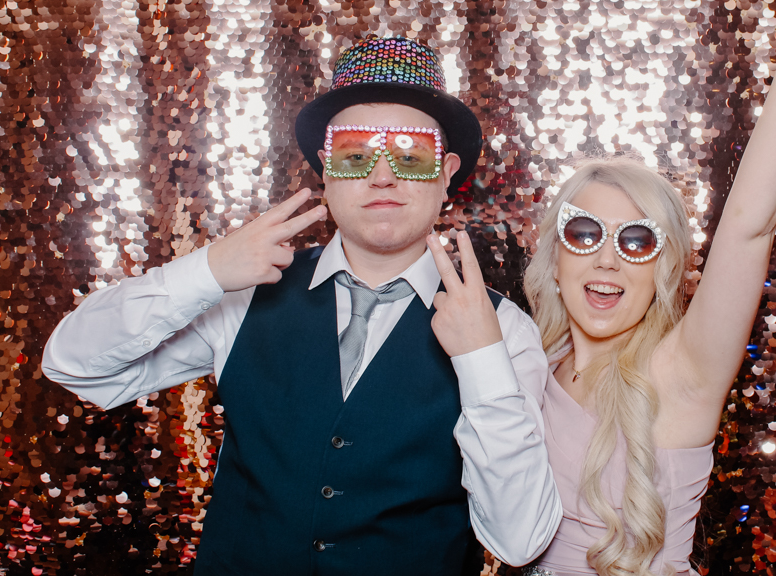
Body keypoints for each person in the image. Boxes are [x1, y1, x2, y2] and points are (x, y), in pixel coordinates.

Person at [42, 35, 562, 575]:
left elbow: (518, 541)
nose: (382, 175)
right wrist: (208, 270)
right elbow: (73, 365)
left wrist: (481, 359)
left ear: (447, 172)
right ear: (325, 169)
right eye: (356, 154)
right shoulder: (243, 296)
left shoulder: (503, 329)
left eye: (410, 156)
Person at [515, 0, 776, 576]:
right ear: (556, 254)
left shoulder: (679, 374)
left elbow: (749, 224)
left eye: (637, 241)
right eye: (585, 232)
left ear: (668, 269)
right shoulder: (531, 362)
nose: (606, 257)